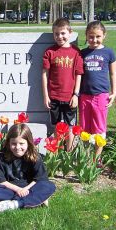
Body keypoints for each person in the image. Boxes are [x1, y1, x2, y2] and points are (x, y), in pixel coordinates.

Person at [0, 123, 56, 213]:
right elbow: (1, 181)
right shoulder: (2, 156)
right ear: (8, 143)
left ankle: (14, 204)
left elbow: (39, 178)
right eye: (14, 144)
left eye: (21, 143)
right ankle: (36, 200)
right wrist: (18, 190)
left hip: (30, 187)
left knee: (48, 186)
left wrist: (25, 189)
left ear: (29, 143)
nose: (17, 147)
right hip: (10, 188)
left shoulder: (35, 156)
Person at [42, 18, 84, 150]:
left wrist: (76, 94)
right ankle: (57, 151)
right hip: (54, 96)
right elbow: (44, 74)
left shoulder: (76, 52)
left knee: (70, 127)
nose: (60, 37)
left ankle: (68, 152)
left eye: (63, 33)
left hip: (70, 97)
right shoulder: (50, 52)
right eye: (56, 34)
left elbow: (78, 74)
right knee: (56, 126)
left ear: (70, 33)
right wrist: (46, 96)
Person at [80, 21, 116, 159]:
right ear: (86, 36)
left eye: (98, 36)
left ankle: (97, 158)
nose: (94, 40)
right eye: (91, 36)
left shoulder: (108, 52)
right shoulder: (83, 53)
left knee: (99, 128)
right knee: (84, 128)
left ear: (104, 36)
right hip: (84, 95)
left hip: (101, 95)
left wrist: (114, 92)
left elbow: (113, 74)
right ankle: (85, 156)